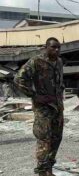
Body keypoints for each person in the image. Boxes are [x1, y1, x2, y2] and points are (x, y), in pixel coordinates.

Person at [14, 37, 64, 176]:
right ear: (46, 47)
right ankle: (42, 172)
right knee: (44, 139)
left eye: (58, 47)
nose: (56, 50)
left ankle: (49, 169)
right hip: (43, 108)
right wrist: (34, 95)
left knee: (56, 138)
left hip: (57, 106)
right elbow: (18, 79)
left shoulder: (59, 62)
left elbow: (59, 81)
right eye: (53, 47)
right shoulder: (36, 61)